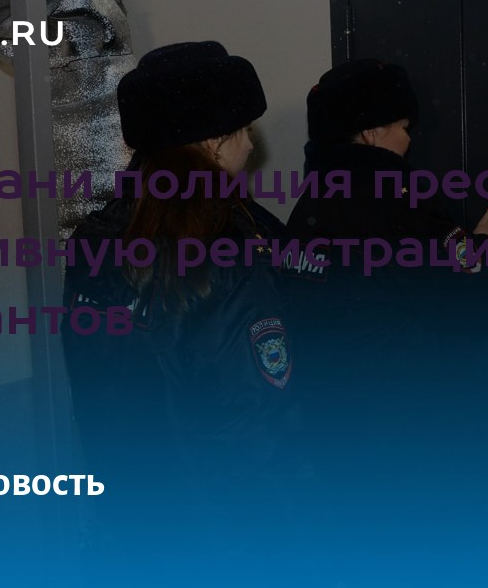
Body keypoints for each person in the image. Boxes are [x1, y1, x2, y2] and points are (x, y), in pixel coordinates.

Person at [60, 41, 308, 580]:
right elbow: (256, 426)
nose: (250, 145)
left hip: (133, 533)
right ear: (215, 143)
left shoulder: (94, 243)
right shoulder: (227, 251)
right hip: (228, 547)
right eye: (244, 131)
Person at [283, 59, 488, 578]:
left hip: (336, 434)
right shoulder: (399, 203)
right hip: (409, 438)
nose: (410, 141)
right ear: (371, 131)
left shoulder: (306, 208)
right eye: (404, 127)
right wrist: (486, 247)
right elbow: (464, 306)